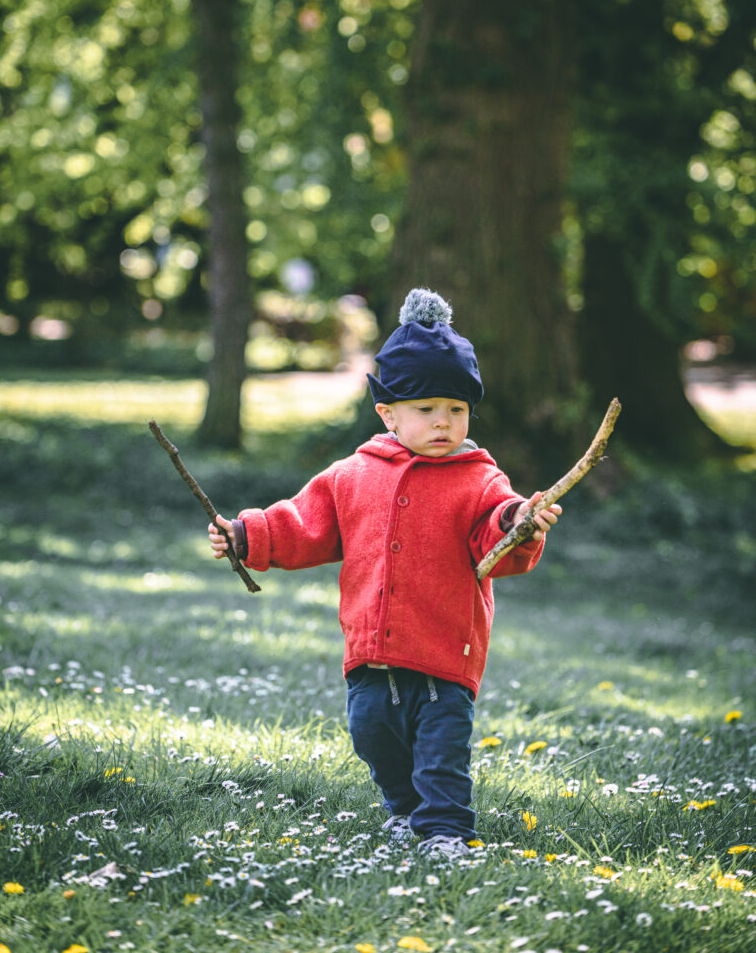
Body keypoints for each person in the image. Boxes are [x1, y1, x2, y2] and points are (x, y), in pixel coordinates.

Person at [208, 288, 561, 859]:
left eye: (457, 410)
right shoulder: (354, 474)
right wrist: (248, 536)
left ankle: (446, 831)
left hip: (445, 653)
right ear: (388, 414)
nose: (444, 423)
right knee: (372, 737)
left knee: (440, 751)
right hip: (368, 653)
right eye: (427, 411)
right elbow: (306, 523)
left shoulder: (479, 481)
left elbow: (495, 538)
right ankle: (404, 812)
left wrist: (520, 524)